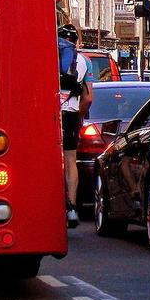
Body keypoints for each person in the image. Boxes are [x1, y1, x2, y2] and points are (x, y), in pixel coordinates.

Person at [57, 23, 92, 228]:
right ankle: (71, 207)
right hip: (70, 113)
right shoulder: (84, 61)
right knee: (71, 159)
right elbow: (88, 98)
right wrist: (79, 117)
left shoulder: (50, 54)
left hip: (50, 114)